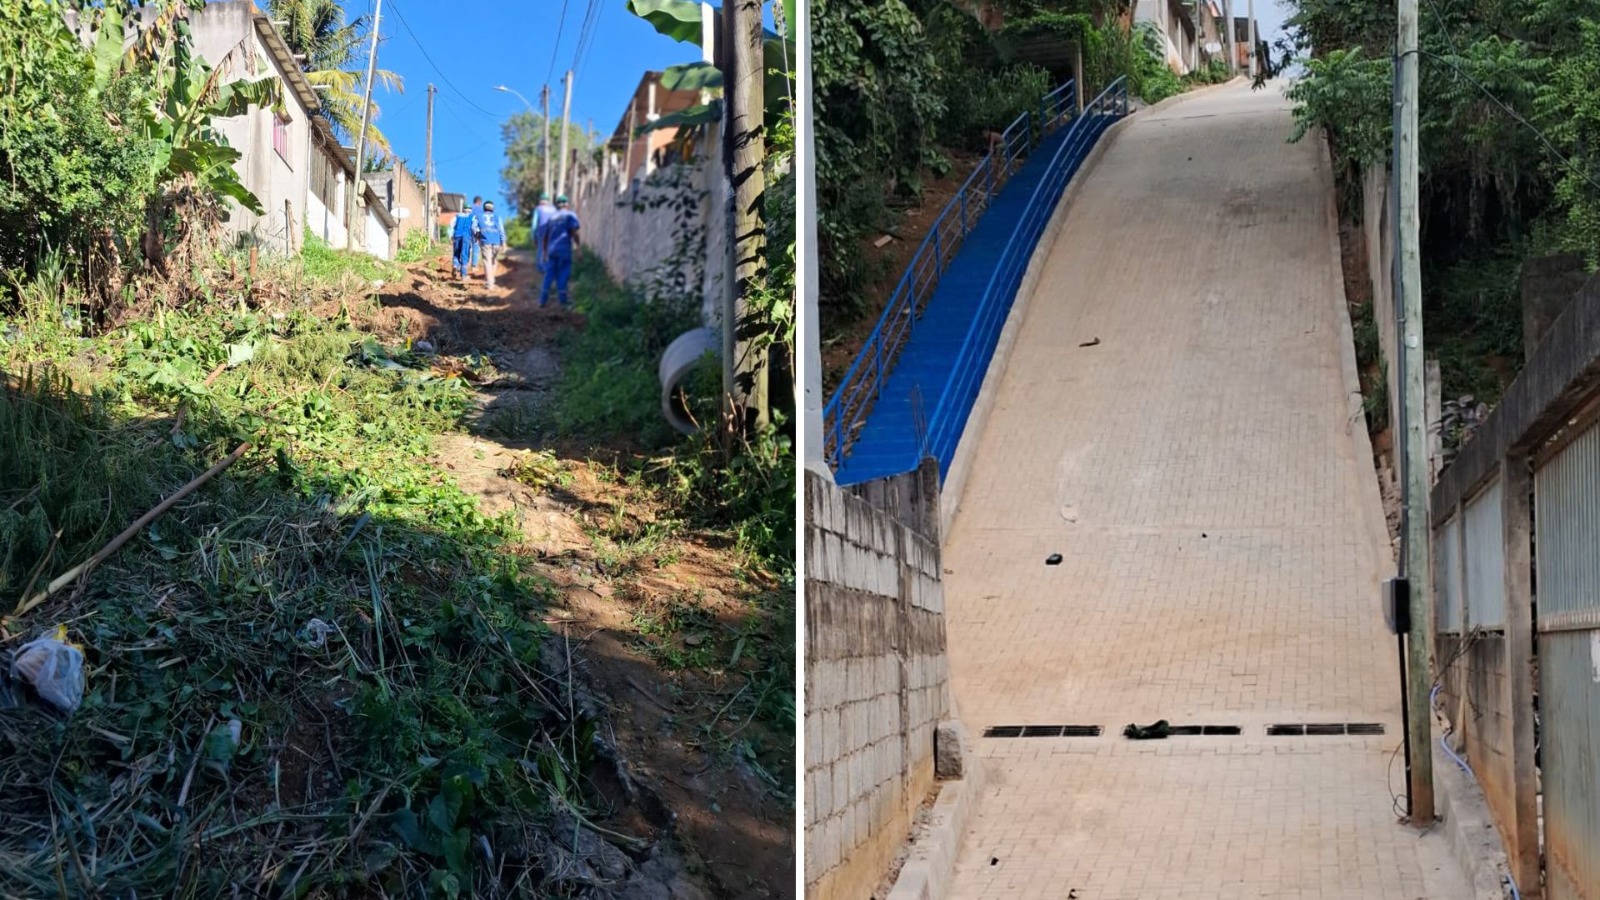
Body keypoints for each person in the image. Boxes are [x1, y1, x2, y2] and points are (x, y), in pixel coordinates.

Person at [536, 194, 580, 308]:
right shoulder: (570, 215)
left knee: (549, 274)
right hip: (564, 249)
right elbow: (574, 232)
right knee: (563, 273)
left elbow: (545, 237)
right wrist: (578, 248)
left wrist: (544, 252)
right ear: (567, 204)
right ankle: (563, 301)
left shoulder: (552, 218)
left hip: (551, 250)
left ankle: (542, 300)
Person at [475, 199, 507, 289]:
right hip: (496, 242)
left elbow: (474, 228)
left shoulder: (479, 216)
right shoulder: (497, 216)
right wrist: (503, 242)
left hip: (485, 241)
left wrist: (477, 236)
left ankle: (489, 283)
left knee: (487, 261)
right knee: (493, 261)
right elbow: (501, 230)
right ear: (492, 208)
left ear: (484, 208)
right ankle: (491, 281)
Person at [531, 192, 557, 272]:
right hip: (553, 232)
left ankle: (541, 268)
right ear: (548, 201)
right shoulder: (554, 209)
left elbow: (534, 224)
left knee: (541, 249)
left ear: (540, 200)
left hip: (542, 232)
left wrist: (533, 236)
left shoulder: (538, 209)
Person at [450, 205, 477, 280]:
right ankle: (463, 274)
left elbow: (452, 225)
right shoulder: (473, 217)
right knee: (465, 254)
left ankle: (455, 265)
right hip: (466, 236)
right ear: (470, 210)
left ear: (463, 209)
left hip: (457, 235)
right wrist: (476, 235)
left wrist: (451, 235)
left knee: (456, 253)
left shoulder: (457, 216)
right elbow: (474, 227)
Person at [467, 195, 484, 275]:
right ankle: (474, 266)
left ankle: (464, 265)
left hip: (467, 230)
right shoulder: (481, 209)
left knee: (466, 247)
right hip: (476, 230)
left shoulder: (470, 208)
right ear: (479, 201)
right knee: (475, 248)